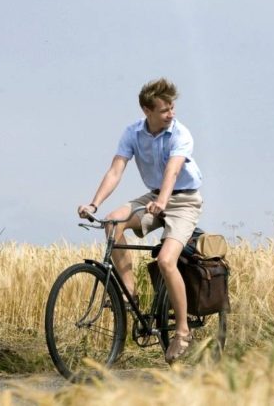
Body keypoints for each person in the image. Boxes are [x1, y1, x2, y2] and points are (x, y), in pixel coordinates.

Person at [77, 78, 203, 363]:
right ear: (147, 110)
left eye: (172, 108)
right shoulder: (132, 133)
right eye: (164, 110)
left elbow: (172, 172)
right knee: (111, 222)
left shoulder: (180, 134)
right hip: (153, 196)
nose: (171, 114)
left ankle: (182, 331)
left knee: (166, 261)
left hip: (183, 200)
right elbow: (115, 170)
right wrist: (93, 203)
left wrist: (162, 202)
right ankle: (129, 289)